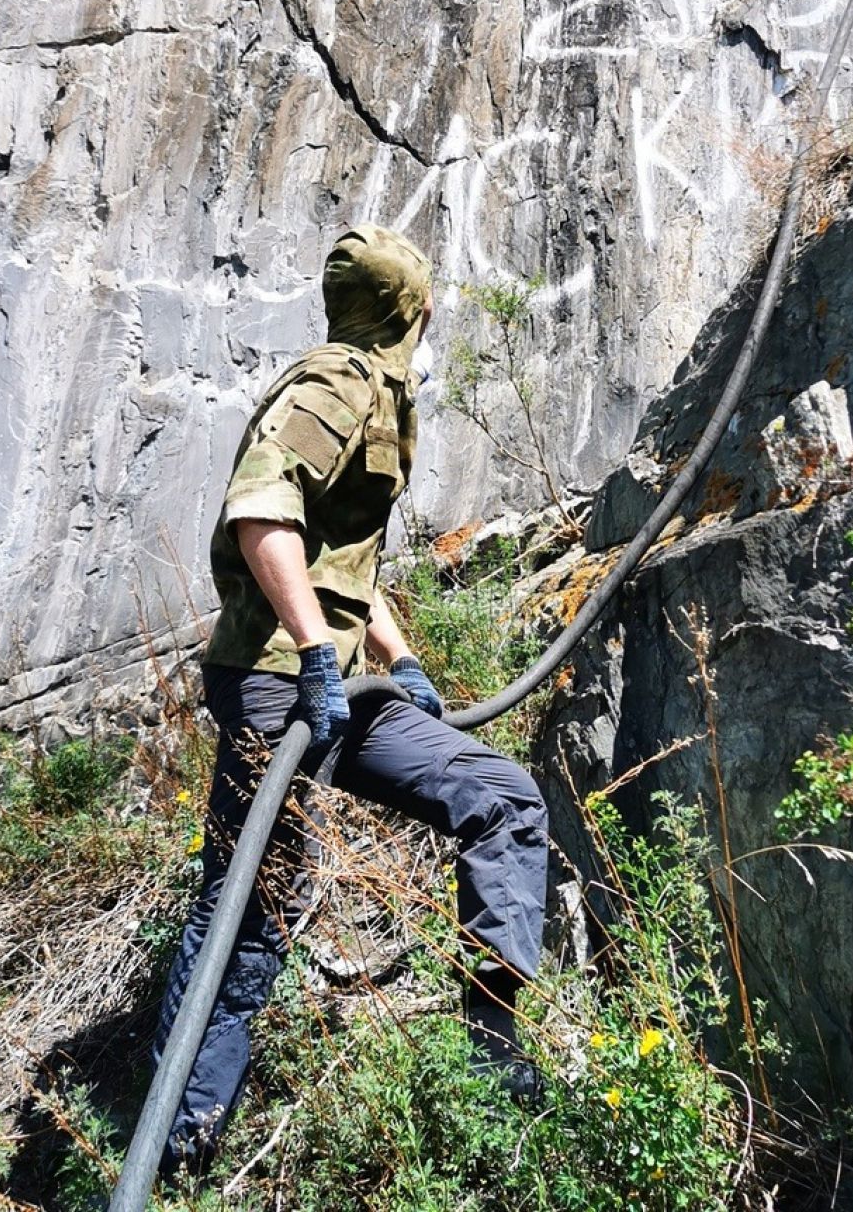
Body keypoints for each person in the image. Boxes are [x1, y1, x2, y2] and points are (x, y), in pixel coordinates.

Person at [150, 224, 549, 1176]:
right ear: (409, 309)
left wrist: (397, 658)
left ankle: (487, 1062)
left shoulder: (370, 389)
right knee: (247, 913)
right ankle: (178, 1147)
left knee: (495, 799)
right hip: (280, 690)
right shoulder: (335, 386)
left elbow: (338, 566)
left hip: (307, 680)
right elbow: (262, 513)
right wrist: (313, 656)